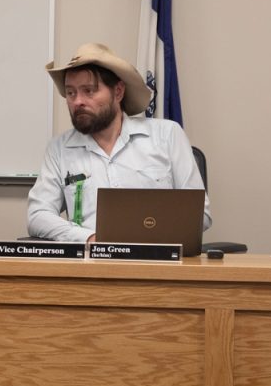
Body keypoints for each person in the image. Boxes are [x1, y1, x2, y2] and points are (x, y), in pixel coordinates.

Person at [26, 42, 211, 242]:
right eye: (71, 93)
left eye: (89, 91)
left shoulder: (167, 135)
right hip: (91, 263)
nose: (77, 101)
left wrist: (147, 237)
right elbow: (38, 215)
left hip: (158, 263)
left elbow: (201, 214)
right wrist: (88, 238)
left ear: (118, 92)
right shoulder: (60, 149)